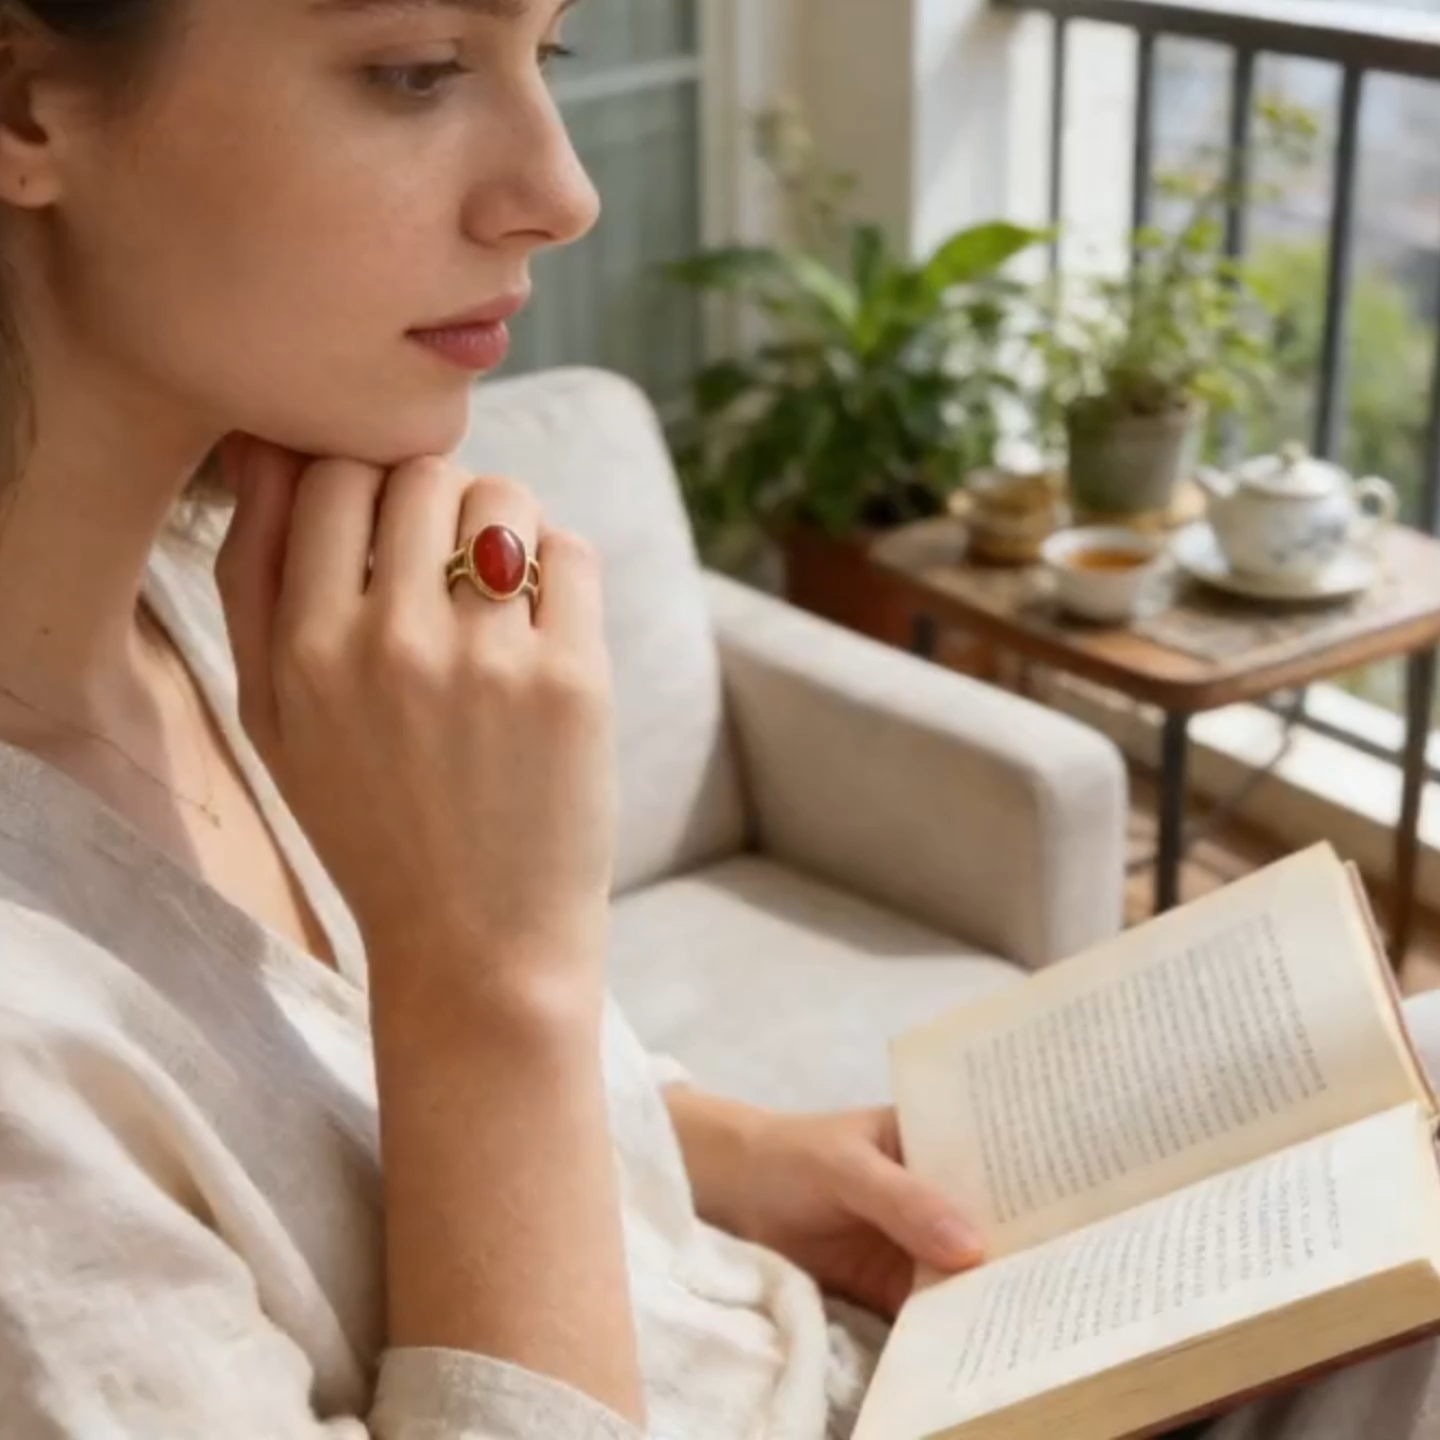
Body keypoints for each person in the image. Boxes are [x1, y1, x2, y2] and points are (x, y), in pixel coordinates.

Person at [0, 3, 1437, 1439]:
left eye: (547, 52)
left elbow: (318, 1092)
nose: (565, 194)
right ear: (20, 101)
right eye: (417, 71)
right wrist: (489, 984)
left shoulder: (256, 593)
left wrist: (733, 1157)